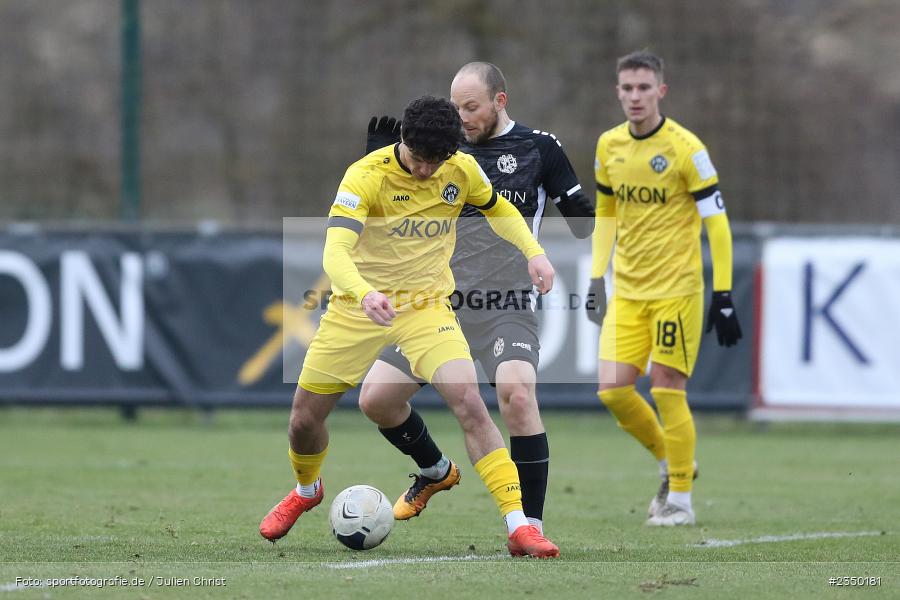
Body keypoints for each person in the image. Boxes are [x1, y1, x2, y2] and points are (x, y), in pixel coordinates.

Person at [259, 95, 560, 558]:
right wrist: (365, 293)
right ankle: (306, 491)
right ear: (404, 141)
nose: (425, 172)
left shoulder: (459, 169)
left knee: (470, 403)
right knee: (303, 420)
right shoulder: (365, 175)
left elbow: (498, 209)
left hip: (427, 308)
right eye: (419, 160)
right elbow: (334, 253)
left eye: (435, 162)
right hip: (356, 308)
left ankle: (520, 526)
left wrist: (533, 251)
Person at [358, 62, 594, 535]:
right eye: (455, 106)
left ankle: (530, 526)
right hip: (436, 303)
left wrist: (588, 232)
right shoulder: (442, 149)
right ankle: (433, 471)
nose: (461, 116)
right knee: (377, 401)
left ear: (499, 102)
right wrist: (388, 167)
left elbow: (583, 222)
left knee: (517, 395)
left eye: (471, 106)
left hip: (506, 303)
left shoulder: (539, 149)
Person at [586, 51, 742, 527]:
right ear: (618, 91)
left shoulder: (685, 148)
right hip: (629, 290)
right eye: (627, 88)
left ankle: (680, 500)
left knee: (667, 389)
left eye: (644, 88)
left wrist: (724, 293)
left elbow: (717, 224)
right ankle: (673, 463)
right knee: (612, 391)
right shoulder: (608, 145)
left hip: (678, 290)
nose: (635, 97)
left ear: (661, 91)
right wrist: (596, 275)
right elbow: (606, 214)